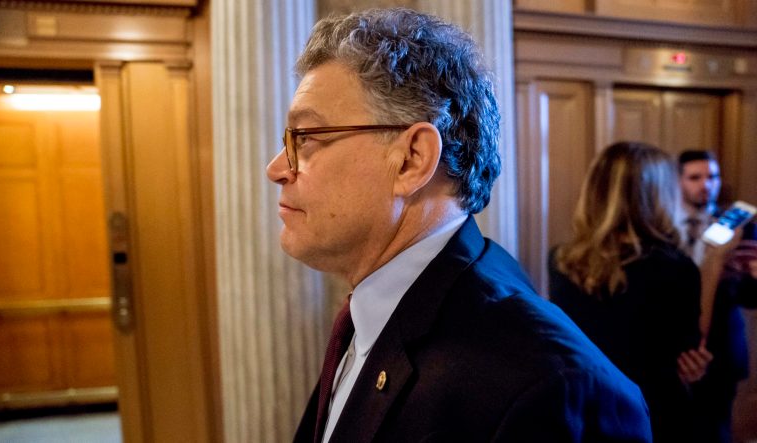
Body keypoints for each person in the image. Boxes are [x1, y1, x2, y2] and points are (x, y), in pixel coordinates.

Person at [266, 8, 650, 442]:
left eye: (307, 138)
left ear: (412, 160)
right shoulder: (368, 311)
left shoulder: (552, 383)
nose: (277, 168)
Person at [548, 142, 709, 442]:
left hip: (585, 409)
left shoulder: (560, 260)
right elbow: (689, 353)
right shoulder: (676, 268)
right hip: (653, 412)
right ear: (658, 196)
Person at [679, 149, 757, 443]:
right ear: (678, 181)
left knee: (716, 430)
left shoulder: (740, 228)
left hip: (722, 347)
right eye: (695, 177)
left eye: (712, 176)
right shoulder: (663, 226)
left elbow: (750, 299)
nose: (706, 184)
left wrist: (748, 276)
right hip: (675, 348)